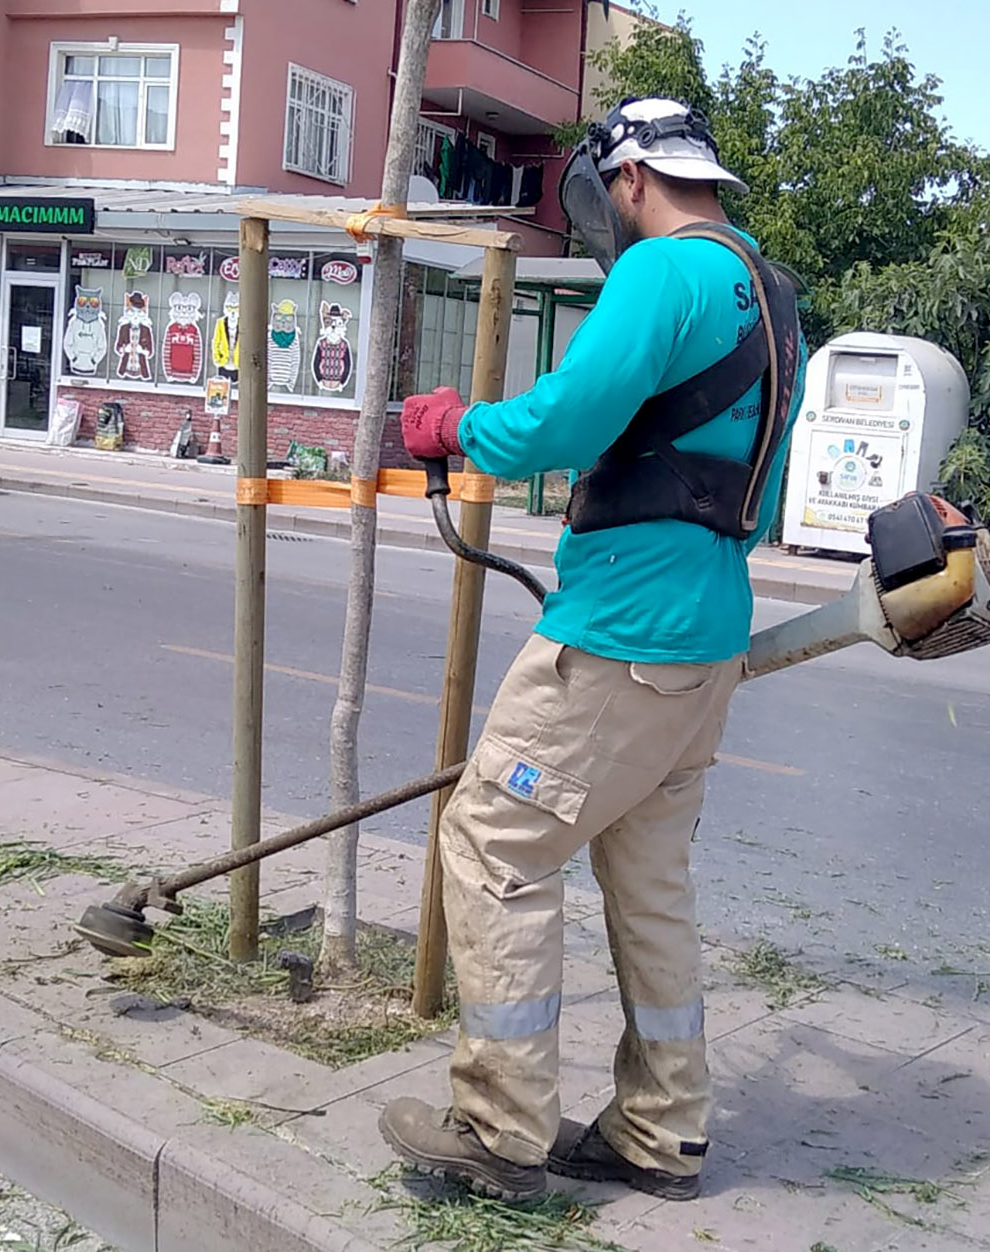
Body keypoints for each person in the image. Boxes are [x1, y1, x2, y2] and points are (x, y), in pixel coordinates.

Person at [379, 97, 809, 1204]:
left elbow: (564, 422)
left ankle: (502, 1126)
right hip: (702, 640)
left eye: (602, 197)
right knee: (647, 882)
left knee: (489, 844)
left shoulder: (663, 273)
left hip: (619, 640)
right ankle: (662, 1130)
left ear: (627, 181)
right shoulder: (770, 294)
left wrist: (449, 426)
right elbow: (740, 486)